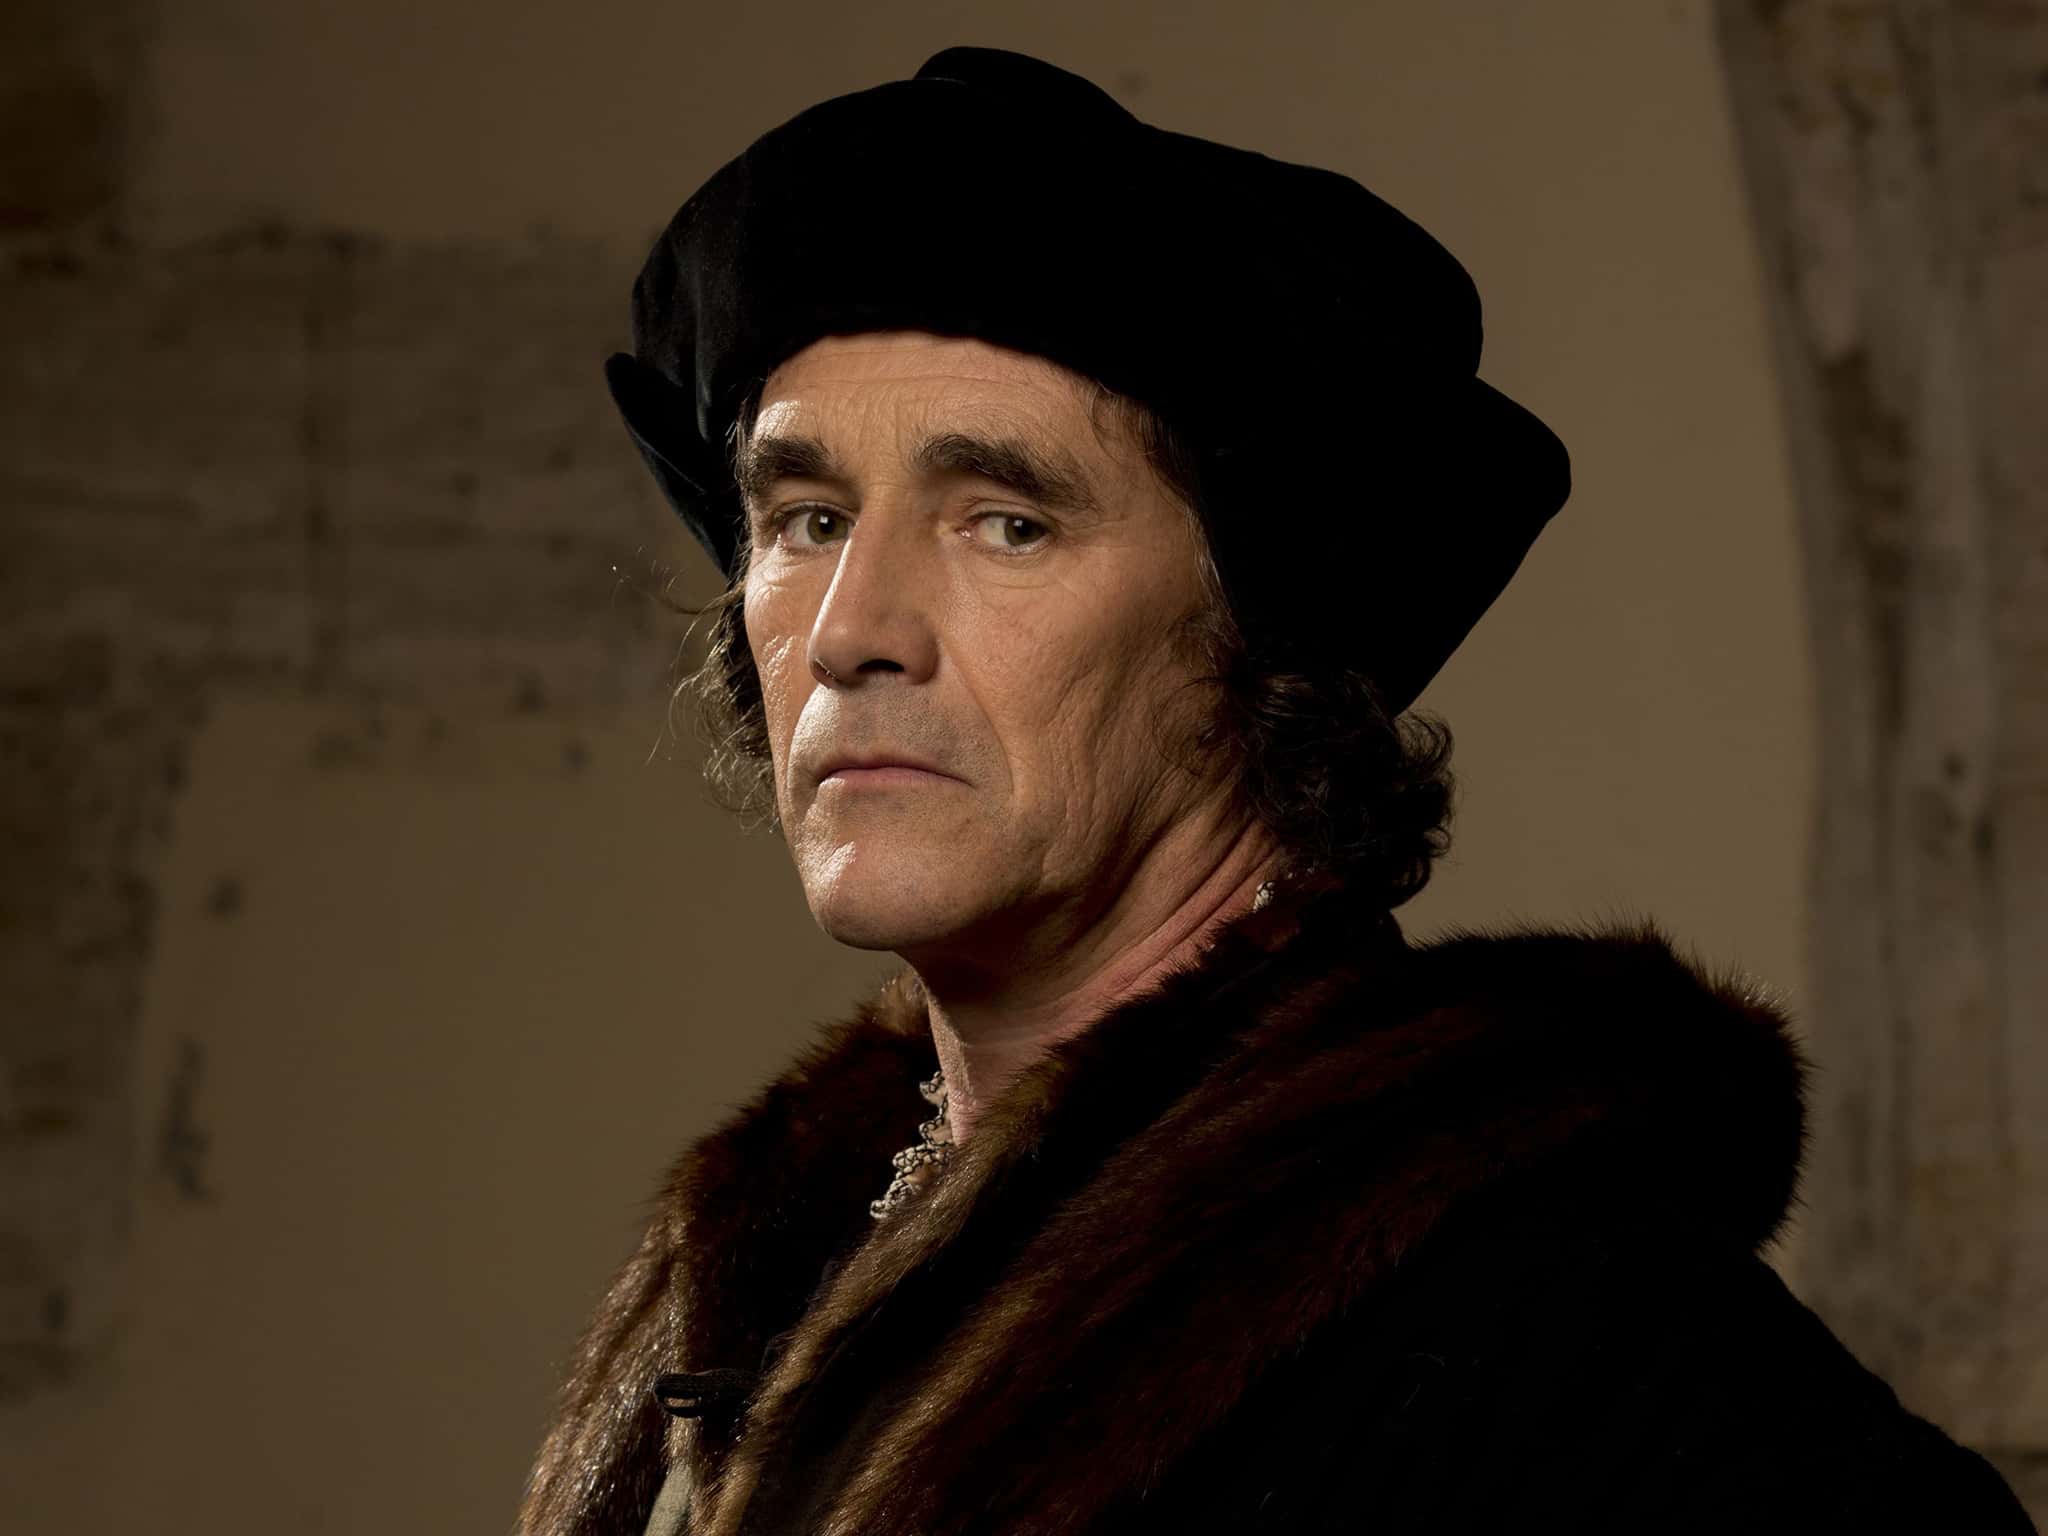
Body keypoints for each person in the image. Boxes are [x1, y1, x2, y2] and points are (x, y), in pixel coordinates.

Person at [517, 46, 2035, 1536]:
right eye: (805, 518)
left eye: (1007, 523)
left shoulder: (1562, 1345)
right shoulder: (766, 1265)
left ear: (1261, 643)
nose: (852, 629)